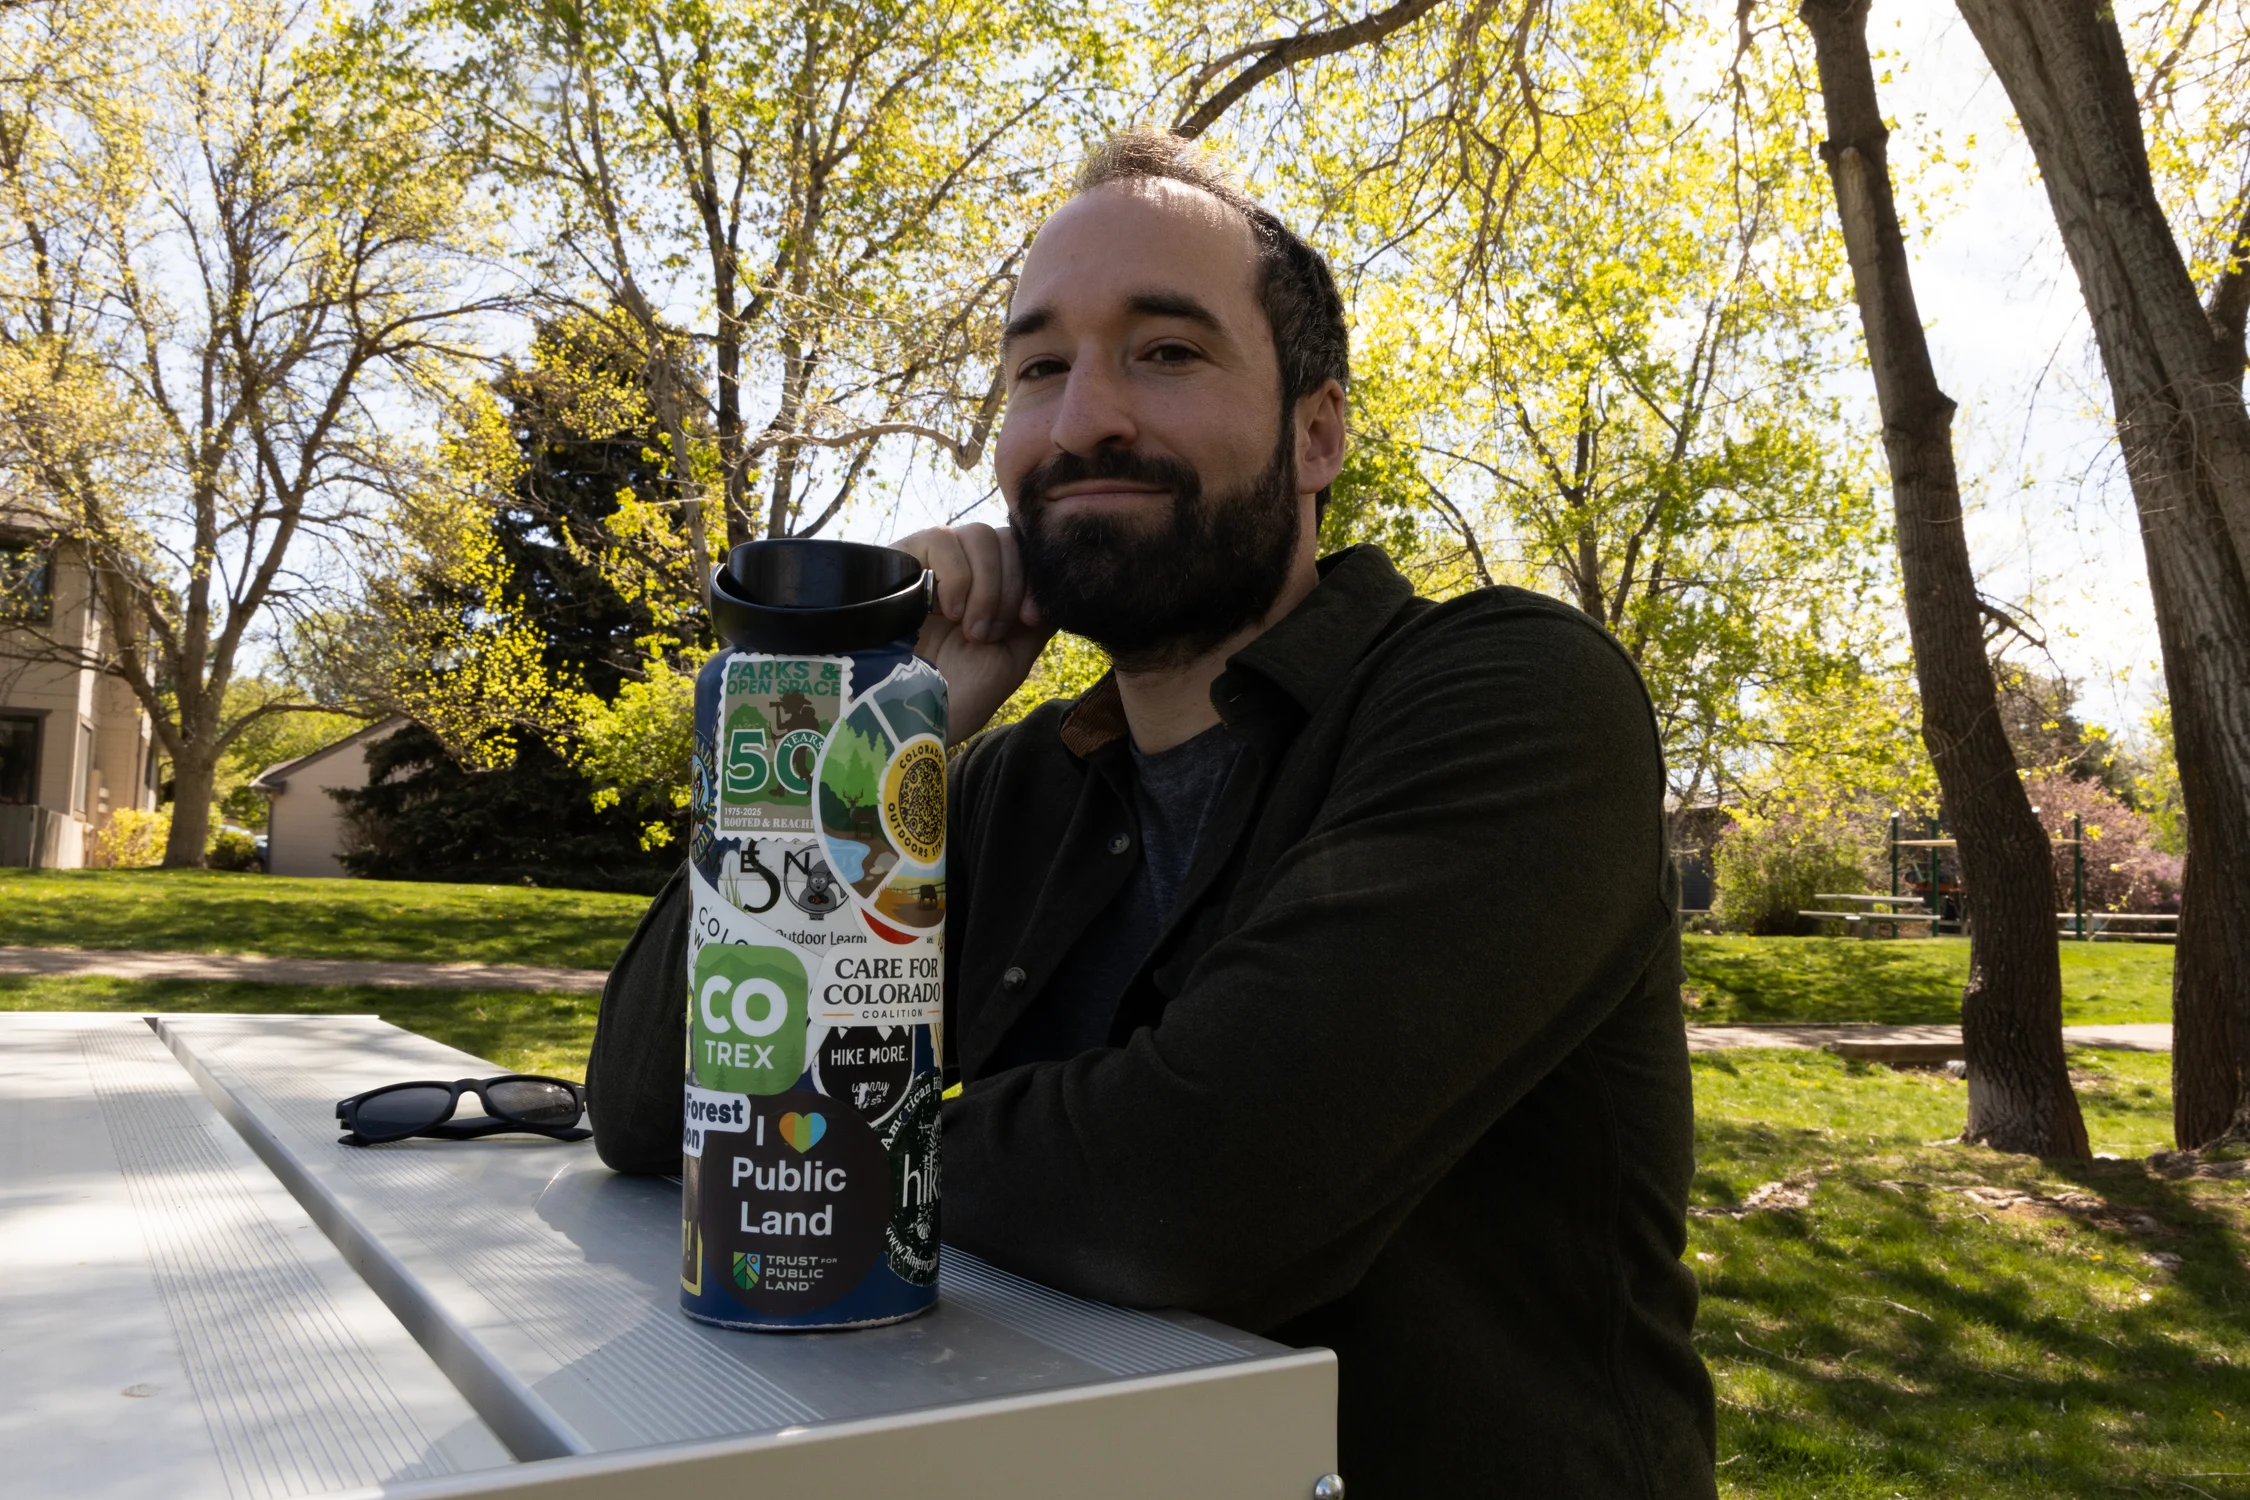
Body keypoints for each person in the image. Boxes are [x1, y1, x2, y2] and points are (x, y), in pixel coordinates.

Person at [590, 128, 1715, 1498]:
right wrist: (877, 738)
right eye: (1038, 369)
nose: (1083, 421)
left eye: (1166, 351)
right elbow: (649, 1104)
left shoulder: (1509, 696)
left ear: (1316, 432)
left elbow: (1203, 1191)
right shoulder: (996, 788)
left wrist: (816, 1150)